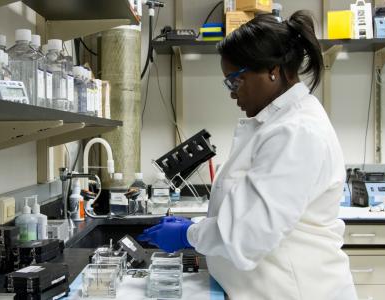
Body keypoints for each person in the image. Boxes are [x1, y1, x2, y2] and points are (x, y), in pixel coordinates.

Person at [138, 10, 357, 300]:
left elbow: (245, 236)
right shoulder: (277, 125)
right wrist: (198, 230)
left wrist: (189, 234)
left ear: (272, 71)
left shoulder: (297, 132)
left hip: (297, 290)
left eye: (234, 81)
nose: (231, 93)